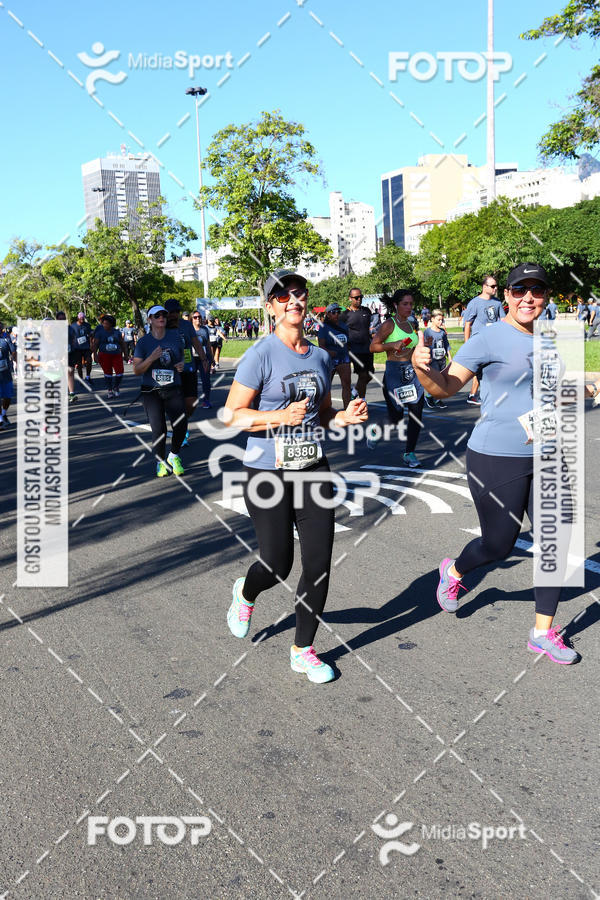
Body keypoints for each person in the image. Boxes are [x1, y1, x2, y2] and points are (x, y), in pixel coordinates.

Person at [412, 261, 599, 665]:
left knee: (555, 540)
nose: (528, 298)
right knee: (499, 544)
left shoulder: (551, 339)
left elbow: (553, 391)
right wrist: (422, 372)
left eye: (537, 291)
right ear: (507, 295)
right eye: (519, 290)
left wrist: (590, 389)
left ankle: (543, 632)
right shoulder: (488, 337)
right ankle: (456, 572)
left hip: (547, 451)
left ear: (546, 296)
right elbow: (446, 388)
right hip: (496, 454)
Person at [224, 269, 368, 683]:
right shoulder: (260, 354)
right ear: (271, 307)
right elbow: (233, 415)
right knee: (277, 563)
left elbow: (322, 416)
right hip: (266, 471)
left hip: (312, 468)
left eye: (299, 294)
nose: (293, 301)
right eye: (283, 296)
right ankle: (246, 593)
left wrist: (343, 417)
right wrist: (278, 417)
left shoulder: (321, 357)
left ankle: (303, 650)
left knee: (319, 563)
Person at [368, 290, 424, 467]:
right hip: (394, 374)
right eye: (405, 304)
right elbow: (373, 347)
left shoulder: (411, 323)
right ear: (396, 305)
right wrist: (392, 345)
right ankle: (376, 431)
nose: (409, 307)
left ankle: (410, 453)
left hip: (412, 373)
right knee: (396, 417)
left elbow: (413, 346)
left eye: (410, 304)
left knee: (416, 414)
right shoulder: (389, 324)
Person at [133, 305, 187, 478]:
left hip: (173, 388)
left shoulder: (175, 337)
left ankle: (174, 456)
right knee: (159, 429)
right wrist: (151, 358)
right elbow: (136, 369)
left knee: (181, 424)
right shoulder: (143, 342)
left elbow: (183, 355)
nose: (161, 318)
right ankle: (160, 462)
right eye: (157, 316)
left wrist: (181, 364)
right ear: (149, 320)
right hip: (152, 391)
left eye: (163, 314)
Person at [164, 298, 209, 445]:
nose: (173, 315)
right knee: (175, 405)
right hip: (170, 371)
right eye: (170, 312)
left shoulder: (186, 325)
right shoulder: (162, 325)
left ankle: (183, 422)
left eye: (176, 311)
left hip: (188, 369)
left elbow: (195, 342)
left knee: (191, 403)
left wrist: (203, 359)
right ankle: (181, 431)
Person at [462, 276, 505, 405]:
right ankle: (476, 395)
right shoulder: (474, 303)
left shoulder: (497, 303)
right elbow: (467, 324)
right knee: (481, 369)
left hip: (493, 342)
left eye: (496, 286)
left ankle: (475, 395)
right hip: (479, 342)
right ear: (484, 287)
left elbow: (502, 321)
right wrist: (467, 343)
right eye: (492, 286)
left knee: (488, 369)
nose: (495, 288)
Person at [340, 287, 373, 398]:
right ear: (350, 298)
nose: (359, 299)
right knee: (363, 375)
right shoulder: (344, 315)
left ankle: (354, 392)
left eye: (361, 297)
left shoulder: (367, 311)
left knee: (370, 375)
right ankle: (362, 401)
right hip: (354, 349)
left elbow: (368, 328)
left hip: (367, 348)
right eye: (356, 297)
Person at [318, 303, 352, 408]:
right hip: (330, 361)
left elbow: (348, 342)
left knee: (346, 385)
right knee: (327, 387)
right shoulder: (324, 328)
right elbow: (321, 346)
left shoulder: (344, 326)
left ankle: (347, 410)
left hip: (344, 359)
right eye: (333, 312)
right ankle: (326, 410)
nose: (336, 314)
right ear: (328, 314)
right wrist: (329, 352)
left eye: (338, 312)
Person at [92, 314, 126, 400]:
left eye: (107, 323)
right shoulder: (100, 333)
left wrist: (126, 354)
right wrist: (95, 355)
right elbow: (95, 344)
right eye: (103, 323)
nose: (105, 325)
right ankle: (110, 390)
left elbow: (122, 343)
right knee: (108, 374)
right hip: (104, 355)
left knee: (120, 372)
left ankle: (116, 386)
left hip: (116, 355)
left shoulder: (117, 332)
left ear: (111, 324)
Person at [423, 309, 452, 409]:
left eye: (442, 320)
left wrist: (450, 357)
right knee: (437, 380)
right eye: (438, 320)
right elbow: (424, 345)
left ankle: (433, 398)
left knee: (442, 380)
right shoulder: (427, 332)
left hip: (442, 359)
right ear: (432, 319)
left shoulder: (442, 332)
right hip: (433, 360)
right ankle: (433, 398)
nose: (440, 322)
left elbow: (446, 344)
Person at [191, 310, 213, 408]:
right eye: (195, 317)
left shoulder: (204, 329)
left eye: (199, 317)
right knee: (191, 380)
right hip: (192, 359)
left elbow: (208, 344)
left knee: (206, 380)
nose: (198, 319)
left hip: (204, 359)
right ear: (192, 319)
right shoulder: (189, 330)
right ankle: (192, 400)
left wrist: (211, 359)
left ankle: (206, 400)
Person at [0, 321, 16, 427]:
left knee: (8, 395)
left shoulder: (6, 338)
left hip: (5, 372)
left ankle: (4, 414)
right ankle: (0, 419)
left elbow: (13, 351)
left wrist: (15, 361)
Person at [70, 312, 93, 383]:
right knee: (79, 364)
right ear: (78, 318)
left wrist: (92, 344)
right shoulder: (73, 326)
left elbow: (91, 334)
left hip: (86, 347)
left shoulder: (87, 325)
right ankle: (81, 379)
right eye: (81, 318)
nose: (82, 319)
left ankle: (88, 376)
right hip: (77, 348)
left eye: (83, 318)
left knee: (89, 361)